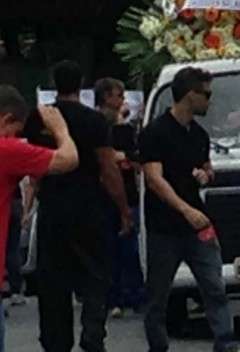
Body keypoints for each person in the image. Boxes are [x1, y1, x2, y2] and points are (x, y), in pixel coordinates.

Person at [23, 60, 132, 352]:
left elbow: (33, 166)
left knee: (53, 279)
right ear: (81, 84)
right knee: (96, 273)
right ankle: (93, 333)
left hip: (53, 207)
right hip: (88, 206)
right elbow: (107, 168)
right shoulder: (93, 120)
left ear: (54, 84)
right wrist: (123, 208)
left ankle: (55, 341)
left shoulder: (39, 119)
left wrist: (29, 203)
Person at [139, 67, 240, 352]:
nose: (210, 101)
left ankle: (225, 342)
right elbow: (154, 179)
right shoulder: (155, 133)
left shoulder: (198, 134)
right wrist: (186, 210)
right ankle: (158, 346)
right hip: (165, 227)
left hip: (198, 225)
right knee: (158, 295)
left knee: (214, 285)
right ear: (189, 95)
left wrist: (206, 175)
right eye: (206, 94)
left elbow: (207, 167)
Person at [0, 87, 79, 352]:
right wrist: (60, 130)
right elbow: (68, 160)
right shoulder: (6, 150)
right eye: (16, 131)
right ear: (6, 120)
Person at [94, 77, 146, 317]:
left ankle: (133, 294)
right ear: (106, 97)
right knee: (109, 247)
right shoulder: (93, 126)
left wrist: (125, 157)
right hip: (102, 196)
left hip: (127, 193)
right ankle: (113, 295)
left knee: (129, 247)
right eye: (118, 95)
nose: (122, 100)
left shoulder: (124, 129)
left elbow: (137, 158)